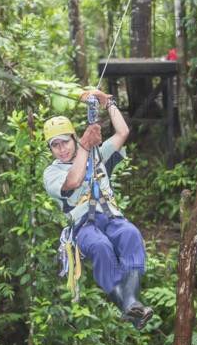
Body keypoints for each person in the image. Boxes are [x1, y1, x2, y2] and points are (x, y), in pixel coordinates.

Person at [43, 89, 153, 330]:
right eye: (55, 145)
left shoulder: (97, 154)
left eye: (66, 142)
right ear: (51, 150)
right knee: (101, 247)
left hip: (111, 216)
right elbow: (72, 182)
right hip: (84, 225)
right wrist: (84, 145)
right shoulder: (51, 173)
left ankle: (132, 302)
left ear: (73, 138)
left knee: (131, 234)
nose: (62, 149)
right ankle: (129, 307)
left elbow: (123, 132)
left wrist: (109, 103)